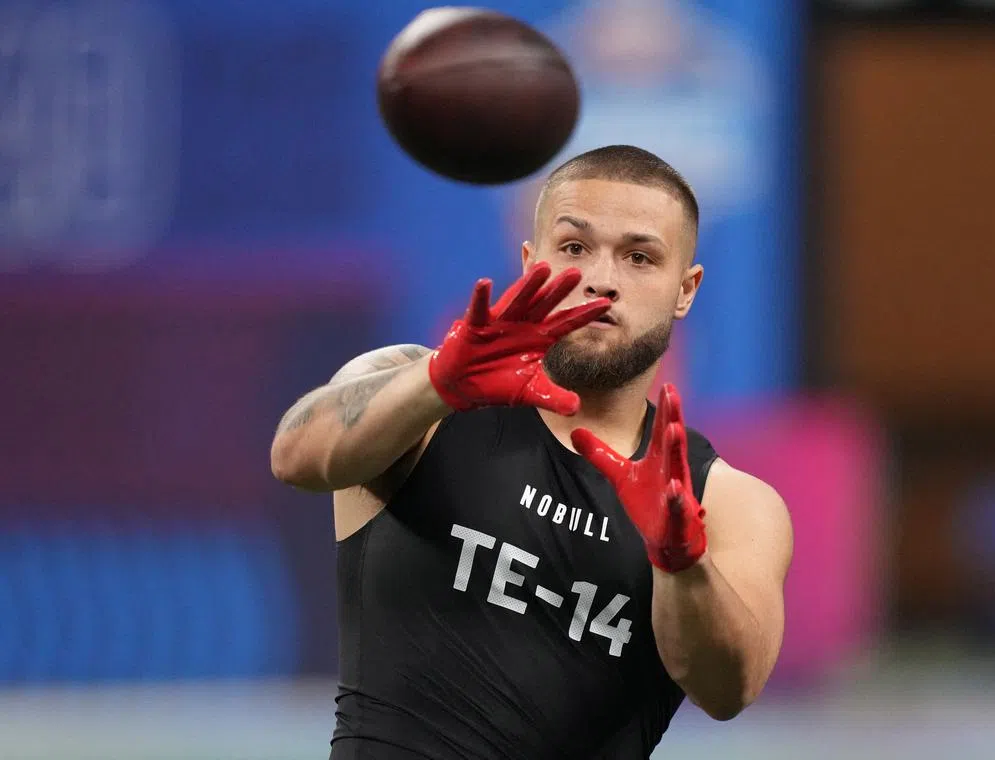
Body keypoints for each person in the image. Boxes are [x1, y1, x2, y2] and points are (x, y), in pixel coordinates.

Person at [270, 145, 793, 759]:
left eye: (640, 257)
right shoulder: (417, 404)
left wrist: (680, 561)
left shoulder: (728, 503)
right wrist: (439, 382)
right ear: (529, 260)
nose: (601, 278)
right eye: (574, 247)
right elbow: (295, 455)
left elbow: (730, 688)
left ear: (686, 289)